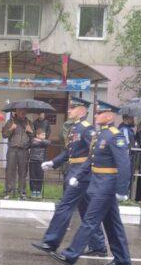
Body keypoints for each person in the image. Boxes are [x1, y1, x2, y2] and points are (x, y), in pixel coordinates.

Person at [51, 101, 133, 265]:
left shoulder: (115, 136)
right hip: (98, 183)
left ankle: (70, 255)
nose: (95, 115)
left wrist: (122, 189)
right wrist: (78, 176)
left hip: (107, 185)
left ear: (109, 116)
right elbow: (91, 160)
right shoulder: (100, 134)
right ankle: (122, 259)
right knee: (112, 223)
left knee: (90, 220)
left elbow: (124, 164)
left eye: (99, 113)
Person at [30, 97, 107, 256]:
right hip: (75, 171)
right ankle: (98, 245)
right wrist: (53, 162)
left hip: (81, 174)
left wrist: (84, 173)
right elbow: (68, 152)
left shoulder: (87, 129)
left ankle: (50, 241)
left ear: (82, 111)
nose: (69, 110)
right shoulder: (74, 128)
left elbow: (94, 153)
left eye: (73, 108)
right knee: (86, 210)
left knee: (64, 206)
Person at [2, 109, 33, 199]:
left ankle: (22, 192)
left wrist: (30, 131)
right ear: (16, 111)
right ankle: (9, 191)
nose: (23, 112)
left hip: (24, 150)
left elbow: (34, 136)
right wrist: (11, 129)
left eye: (24, 111)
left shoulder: (29, 122)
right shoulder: (10, 121)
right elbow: (4, 135)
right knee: (10, 171)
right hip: (12, 149)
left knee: (23, 171)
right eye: (20, 111)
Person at [28, 129, 49, 198]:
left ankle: (39, 191)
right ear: (37, 135)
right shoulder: (33, 140)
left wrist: (40, 141)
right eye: (42, 135)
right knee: (33, 176)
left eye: (44, 135)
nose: (44, 136)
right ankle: (33, 191)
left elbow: (48, 142)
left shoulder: (44, 141)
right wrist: (40, 142)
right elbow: (33, 143)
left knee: (40, 176)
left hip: (41, 161)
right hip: (33, 161)